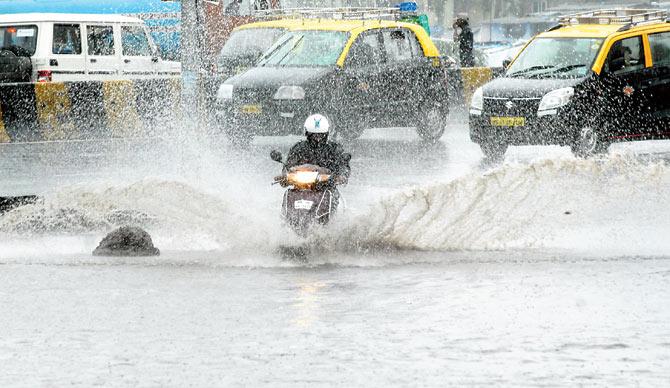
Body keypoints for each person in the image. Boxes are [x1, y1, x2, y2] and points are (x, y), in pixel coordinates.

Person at [284, 114, 351, 208]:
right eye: (314, 135)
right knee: (289, 194)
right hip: (301, 187)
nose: (318, 138)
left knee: (333, 198)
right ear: (307, 133)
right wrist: (285, 175)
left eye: (321, 135)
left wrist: (341, 175)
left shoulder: (334, 149)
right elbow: (288, 166)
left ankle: (332, 218)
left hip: (326, 186)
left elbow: (343, 165)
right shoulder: (298, 148)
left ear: (327, 133)